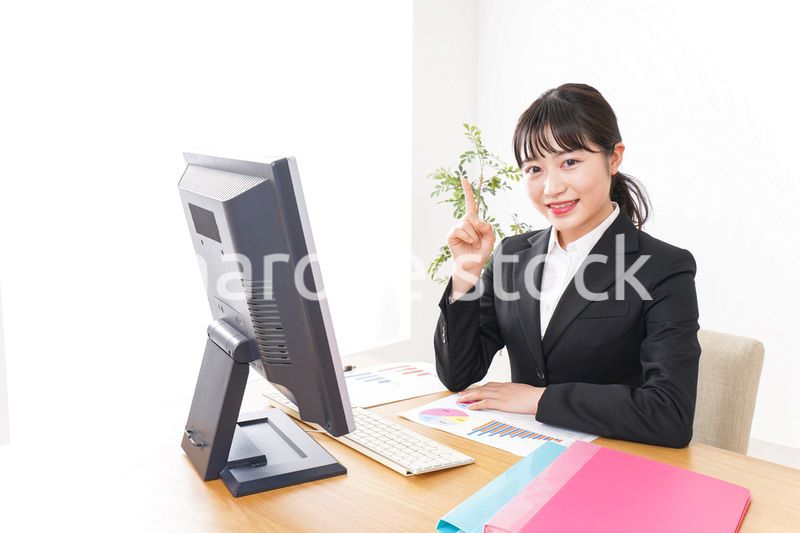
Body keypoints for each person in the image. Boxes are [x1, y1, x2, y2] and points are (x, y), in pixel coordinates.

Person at [433, 83, 700, 448]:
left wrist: (540, 399)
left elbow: (670, 415)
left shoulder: (663, 267)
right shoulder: (513, 255)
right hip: (519, 453)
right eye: (534, 168)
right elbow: (458, 374)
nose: (551, 188)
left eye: (570, 162)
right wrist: (466, 272)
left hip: (611, 459)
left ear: (614, 158)